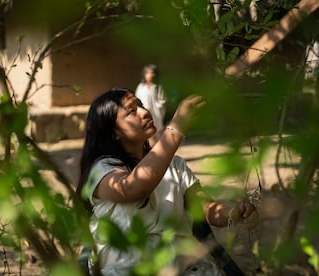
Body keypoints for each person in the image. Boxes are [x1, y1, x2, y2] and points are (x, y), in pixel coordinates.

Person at [76, 88, 258, 275]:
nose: (144, 112)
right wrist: (176, 128)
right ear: (114, 133)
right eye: (132, 111)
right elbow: (131, 189)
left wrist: (233, 214)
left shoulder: (173, 164)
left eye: (140, 105)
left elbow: (204, 208)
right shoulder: (101, 169)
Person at [135, 64, 167, 145]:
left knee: (158, 130)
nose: (151, 75)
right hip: (144, 112)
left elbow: (162, 100)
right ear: (144, 74)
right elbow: (137, 98)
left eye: (153, 73)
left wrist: (160, 106)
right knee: (147, 131)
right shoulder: (141, 87)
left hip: (156, 113)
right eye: (148, 73)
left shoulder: (158, 87)